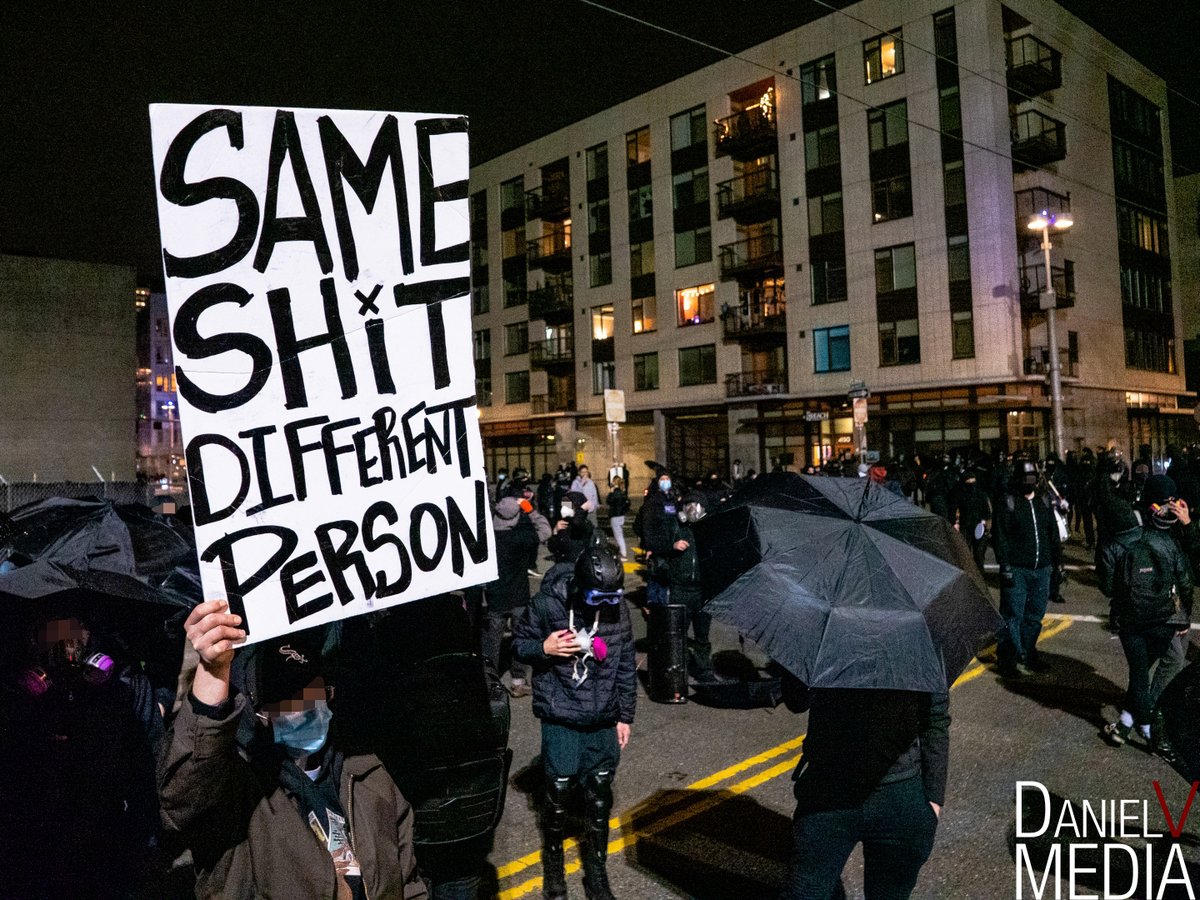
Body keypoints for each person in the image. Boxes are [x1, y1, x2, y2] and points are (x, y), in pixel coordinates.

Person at [158, 601, 428, 899]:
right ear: (259, 715)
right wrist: (212, 672)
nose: (306, 708)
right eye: (288, 704)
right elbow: (184, 793)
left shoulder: (368, 774)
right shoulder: (237, 798)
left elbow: (408, 882)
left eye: (313, 694)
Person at [1, 613, 166, 899]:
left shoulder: (124, 683)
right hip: (30, 845)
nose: (63, 640)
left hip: (105, 839)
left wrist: (147, 842)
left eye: (72, 626)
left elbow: (148, 767)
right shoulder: (16, 684)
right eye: (50, 628)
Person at [513, 541, 636, 900]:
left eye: (612, 598)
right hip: (561, 714)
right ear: (580, 589)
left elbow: (626, 663)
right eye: (599, 598)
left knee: (599, 794)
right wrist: (544, 649)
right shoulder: (549, 603)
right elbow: (519, 645)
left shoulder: (618, 609)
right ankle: (554, 868)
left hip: (603, 717)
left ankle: (596, 871)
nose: (607, 606)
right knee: (559, 793)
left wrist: (625, 716)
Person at [779, 679, 950, 900]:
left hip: (894, 795)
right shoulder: (921, 648)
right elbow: (796, 700)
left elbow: (935, 718)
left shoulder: (921, 647)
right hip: (831, 795)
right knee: (805, 892)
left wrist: (934, 798)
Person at [1103, 487, 1193, 752]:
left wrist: (1186, 525)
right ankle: (1151, 724)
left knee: (1142, 675)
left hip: (1141, 618)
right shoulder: (1158, 535)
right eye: (1165, 501)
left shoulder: (1125, 538)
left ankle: (1127, 723)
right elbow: (1186, 576)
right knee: (1169, 663)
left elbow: (1108, 585)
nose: (1171, 506)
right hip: (1166, 613)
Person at [992, 459, 1061, 678]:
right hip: (1017, 569)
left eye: (1032, 478)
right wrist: (1006, 567)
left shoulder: (1043, 502)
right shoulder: (1008, 502)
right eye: (1025, 478)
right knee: (1013, 615)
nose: (1029, 483)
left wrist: (1057, 564)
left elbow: (1053, 535)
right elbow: (1000, 537)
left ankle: (1029, 653)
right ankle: (1008, 659)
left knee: (1034, 616)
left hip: (1042, 569)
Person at [641, 489, 715, 681]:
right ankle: (678, 668)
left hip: (703, 590)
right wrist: (672, 547)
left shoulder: (708, 530)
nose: (692, 510)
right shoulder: (674, 527)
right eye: (689, 506)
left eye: (696, 506)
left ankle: (703, 668)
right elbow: (656, 544)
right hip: (679, 588)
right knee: (678, 632)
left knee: (702, 634)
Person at [484, 496, 550, 698]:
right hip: (519, 596)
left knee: (491, 643)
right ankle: (518, 682)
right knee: (520, 638)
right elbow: (545, 530)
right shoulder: (521, 537)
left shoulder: (488, 538)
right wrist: (530, 510)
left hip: (495, 597)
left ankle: (488, 683)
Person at [637, 470, 679, 607]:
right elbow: (648, 526)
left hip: (669, 544)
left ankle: (662, 607)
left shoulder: (671, 499)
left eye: (667, 479)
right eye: (662, 479)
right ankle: (654, 608)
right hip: (657, 545)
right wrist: (649, 547)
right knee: (657, 576)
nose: (665, 482)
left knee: (664, 577)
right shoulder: (653, 501)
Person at [949, 467, 991, 574]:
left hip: (979, 528)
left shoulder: (981, 494)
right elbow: (953, 509)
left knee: (979, 555)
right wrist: (955, 523)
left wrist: (984, 523)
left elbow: (987, 511)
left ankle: (979, 575)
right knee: (965, 554)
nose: (971, 483)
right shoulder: (959, 494)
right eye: (969, 481)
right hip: (965, 527)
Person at [548, 490, 596, 564]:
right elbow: (552, 547)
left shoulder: (586, 525)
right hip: (563, 566)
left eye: (569, 506)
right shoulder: (563, 523)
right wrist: (555, 531)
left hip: (579, 566)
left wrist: (581, 510)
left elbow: (577, 524)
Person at [606, 476, 631, 561]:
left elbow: (608, 501)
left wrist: (610, 492)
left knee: (618, 536)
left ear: (614, 482)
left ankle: (623, 555)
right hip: (621, 515)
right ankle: (622, 552)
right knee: (620, 535)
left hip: (615, 516)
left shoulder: (615, 492)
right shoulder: (622, 491)